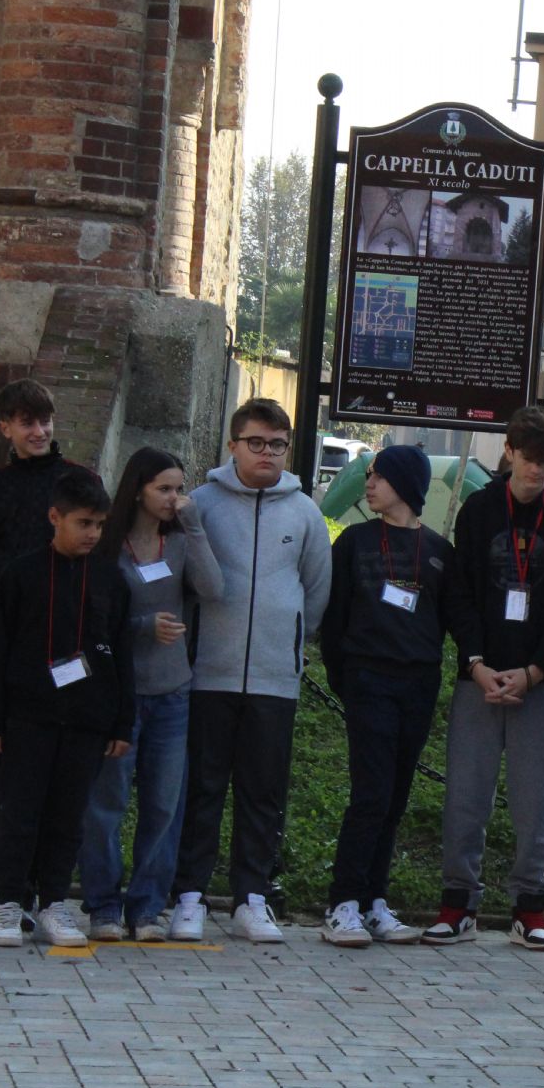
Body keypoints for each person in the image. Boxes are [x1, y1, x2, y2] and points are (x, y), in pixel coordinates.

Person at [424, 406, 544, 950]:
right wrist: (476, 664)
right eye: (528, 458)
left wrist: (534, 671)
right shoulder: (478, 509)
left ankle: (530, 907)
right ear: (509, 452)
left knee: (533, 802)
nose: (536, 470)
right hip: (480, 676)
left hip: (541, 682)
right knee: (465, 796)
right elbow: (460, 594)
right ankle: (458, 903)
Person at [166, 399, 331, 944]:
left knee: (263, 792)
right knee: (202, 787)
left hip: (273, 678)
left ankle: (251, 897)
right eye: (256, 443)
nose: (267, 453)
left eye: (277, 444)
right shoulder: (202, 504)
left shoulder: (305, 512)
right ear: (233, 445)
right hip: (206, 674)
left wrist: (291, 641)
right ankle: (189, 895)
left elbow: (316, 589)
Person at [0, 379, 93, 927]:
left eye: (45, 420)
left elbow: (91, 562)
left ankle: (32, 887)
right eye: (26, 422)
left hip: (55, 644)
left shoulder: (76, 481)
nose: (38, 431)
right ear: (4, 427)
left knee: (44, 774)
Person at [0, 470, 134, 948]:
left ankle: (53, 902)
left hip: (87, 719)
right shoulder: (20, 574)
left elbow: (121, 654)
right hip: (28, 716)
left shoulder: (110, 580)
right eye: (83, 523)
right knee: (20, 812)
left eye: (99, 525)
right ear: (55, 517)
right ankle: (9, 901)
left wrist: (121, 722)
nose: (92, 534)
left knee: (68, 817)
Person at [79, 448, 224, 942]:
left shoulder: (179, 542)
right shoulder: (108, 545)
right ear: (138, 490)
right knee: (107, 802)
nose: (174, 498)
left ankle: (146, 907)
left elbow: (213, 588)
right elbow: (92, 616)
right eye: (164, 488)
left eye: (179, 488)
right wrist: (142, 626)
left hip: (172, 693)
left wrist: (195, 524)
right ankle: (102, 904)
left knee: (164, 804)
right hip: (119, 693)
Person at [319, 445, 451, 948]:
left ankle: (374, 900)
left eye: (379, 476)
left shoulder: (439, 550)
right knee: (370, 794)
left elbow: (447, 619)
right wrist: (346, 677)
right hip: (368, 679)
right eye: (369, 475)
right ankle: (343, 902)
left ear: (406, 485)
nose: (369, 484)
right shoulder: (354, 541)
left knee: (395, 796)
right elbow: (335, 616)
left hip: (418, 683)